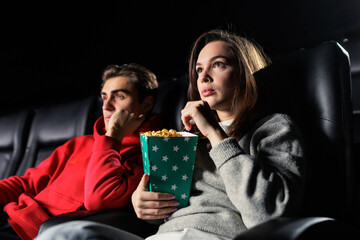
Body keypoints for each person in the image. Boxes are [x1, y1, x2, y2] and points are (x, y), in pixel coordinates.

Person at [35, 29, 306, 240]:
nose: (204, 77)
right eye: (199, 69)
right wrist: (143, 206)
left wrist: (214, 132)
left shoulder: (273, 128)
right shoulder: (186, 139)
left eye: (218, 65)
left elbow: (267, 213)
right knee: (62, 234)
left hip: (217, 236)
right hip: (164, 235)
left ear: (246, 73)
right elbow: (166, 210)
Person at [0, 63, 163, 240]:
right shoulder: (79, 143)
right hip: (11, 218)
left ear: (146, 104)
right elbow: (27, 183)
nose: (107, 106)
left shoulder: (148, 153)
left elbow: (99, 199)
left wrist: (113, 137)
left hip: (37, 232)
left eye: (119, 96)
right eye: (104, 97)